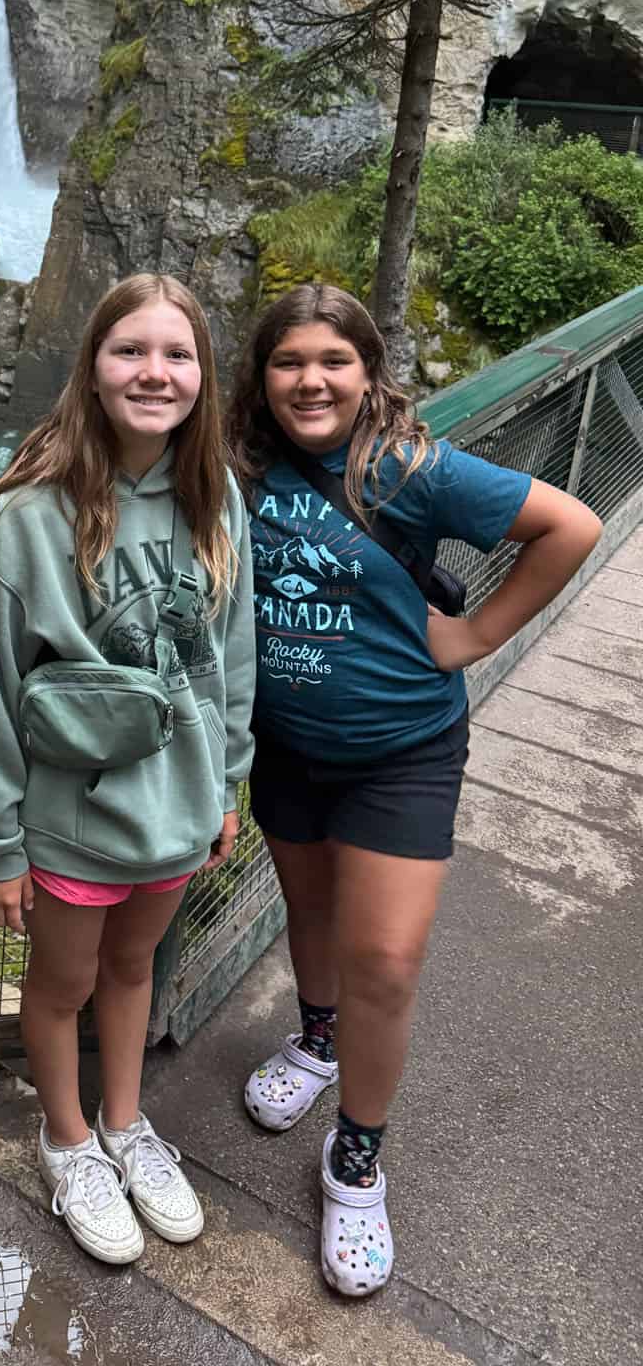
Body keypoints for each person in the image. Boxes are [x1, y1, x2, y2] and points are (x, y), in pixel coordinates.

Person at [228, 283, 601, 1299]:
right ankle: (317, 1041)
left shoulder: (403, 467)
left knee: (385, 960)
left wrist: (473, 636)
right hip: (284, 746)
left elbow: (569, 525)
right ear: (261, 377)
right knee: (309, 911)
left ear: (367, 374)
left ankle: (356, 1160)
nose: (311, 380)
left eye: (333, 361)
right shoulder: (237, 468)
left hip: (402, 751)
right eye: (289, 361)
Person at [0, 274, 255, 1265]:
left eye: (177, 354)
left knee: (133, 970)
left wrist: (226, 783)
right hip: (73, 815)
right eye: (131, 350)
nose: (153, 372)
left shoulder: (218, 500)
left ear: (203, 379)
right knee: (63, 981)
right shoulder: (32, 514)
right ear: (92, 368)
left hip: (179, 806)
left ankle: (126, 1124)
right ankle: (68, 1140)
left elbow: (232, 656)